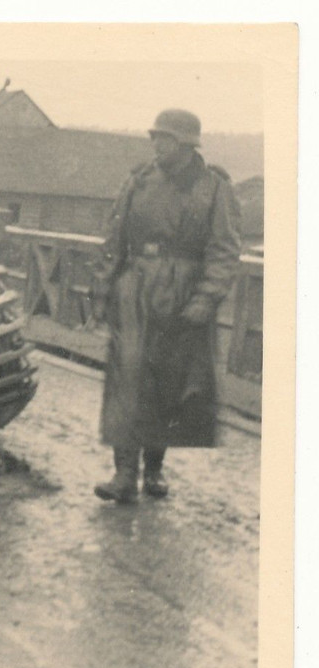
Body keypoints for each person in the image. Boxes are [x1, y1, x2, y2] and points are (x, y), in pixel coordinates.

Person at [90, 108, 241, 503]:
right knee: (127, 380)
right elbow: (114, 238)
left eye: (166, 139)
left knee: (169, 385)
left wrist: (205, 300)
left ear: (188, 145)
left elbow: (224, 251)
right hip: (135, 290)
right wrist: (105, 289)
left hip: (182, 295)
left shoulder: (213, 188)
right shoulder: (138, 181)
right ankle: (124, 475)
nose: (157, 145)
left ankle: (154, 470)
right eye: (155, 137)